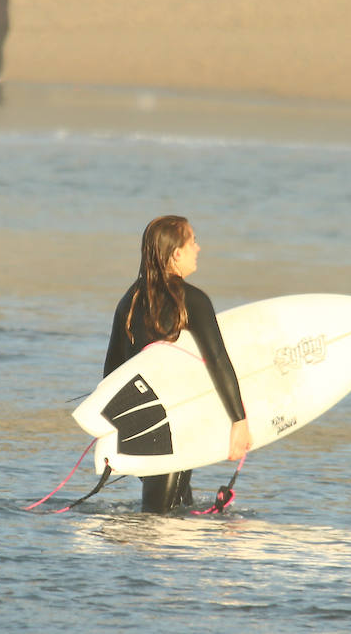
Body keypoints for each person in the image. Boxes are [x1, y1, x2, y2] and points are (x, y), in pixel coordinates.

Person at [103, 216, 252, 513]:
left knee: (177, 505)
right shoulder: (192, 300)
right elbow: (218, 361)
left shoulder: (129, 301)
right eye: (192, 241)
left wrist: (120, 431)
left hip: (145, 424)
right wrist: (239, 421)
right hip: (177, 423)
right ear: (176, 253)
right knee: (162, 519)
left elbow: (110, 374)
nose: (199, 247)